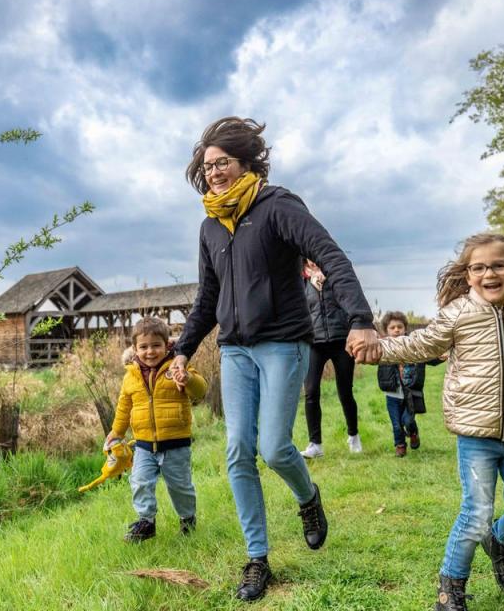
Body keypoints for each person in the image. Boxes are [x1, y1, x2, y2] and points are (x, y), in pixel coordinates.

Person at [169, 117, 380, 602]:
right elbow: (208, 297)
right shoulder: (210, 226)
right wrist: (182, 349)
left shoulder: (277, 206)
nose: (215, 173)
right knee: (237, 451)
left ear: (246, 161)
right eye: (207, 167)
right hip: (234, 350)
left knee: (274, 448)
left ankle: (308, 498)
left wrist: (360, 318)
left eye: (223, 162)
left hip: (284, 343)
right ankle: (257, 559)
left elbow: (330, 255)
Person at [366, 233, 504, 610]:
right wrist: (377, 350)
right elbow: (418, 345)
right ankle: (450, 591)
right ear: (468, 276)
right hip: (475, 434)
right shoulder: (458, 314)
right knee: (476, 513)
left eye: (499, 265)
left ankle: (499, 542)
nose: (490, 273)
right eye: (479, 267)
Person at [106, 316, 207, 543]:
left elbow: (200, 391)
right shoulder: (130, 376)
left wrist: (188, 378)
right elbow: (124, 407)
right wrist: (117, 432)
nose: (150, 352)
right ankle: (146, 522)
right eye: (143, 347)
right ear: (134, 349)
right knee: (140, 481)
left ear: (166, 345)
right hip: (143, 444)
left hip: (176, 442)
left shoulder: (177, 366)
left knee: (180, 486)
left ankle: (187, 519)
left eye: (156, 345)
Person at [300, 259, 362, 458]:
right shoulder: (300, 281)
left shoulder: (335, 276)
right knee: (310, 392)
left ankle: (353, 435)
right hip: (314, 343)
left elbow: (350, 303)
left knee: (345, 391)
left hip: (340, 340)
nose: (312, 260)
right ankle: (315, 444)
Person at [377, 310, 442, 457]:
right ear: (386, 331)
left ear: (405, 328)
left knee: (407, 420)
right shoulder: (383, 347)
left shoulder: (413, 346)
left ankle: (413, 432)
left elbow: (427, 356)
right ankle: (400, 445)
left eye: (399, 327)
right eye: (392, 328)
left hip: (410, 392)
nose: (396, 330)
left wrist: (440, 357)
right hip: (392, 394)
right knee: (396, 423)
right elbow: (371, 357)